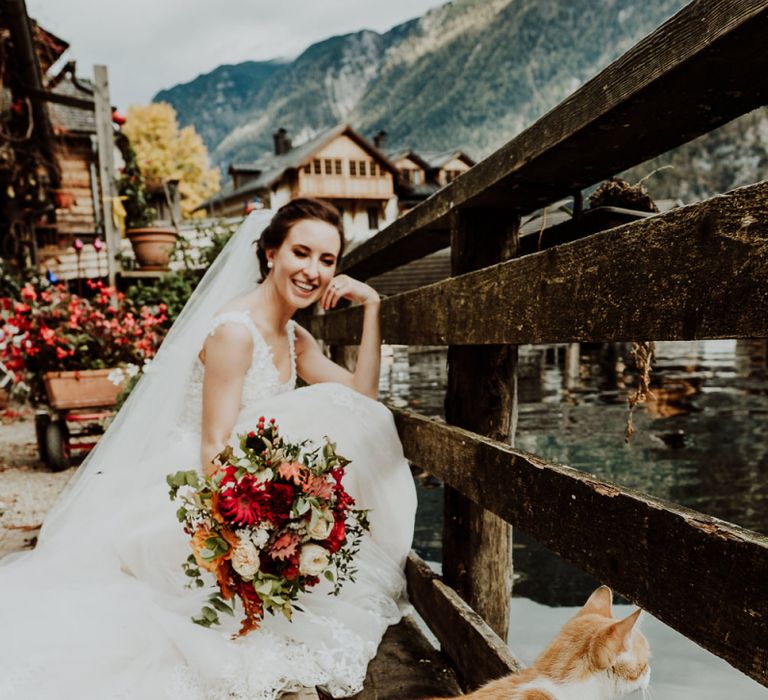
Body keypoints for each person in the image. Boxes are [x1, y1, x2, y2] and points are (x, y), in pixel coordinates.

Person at [0, 199, 417, 699]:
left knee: (343, 409)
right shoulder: (234, 333)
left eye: (326, 260)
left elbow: (362, 400)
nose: (312, 271)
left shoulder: (292, 335)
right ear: (269, 253)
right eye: (300, 253)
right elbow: (214, 450)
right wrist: (262, 523)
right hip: (204, 489)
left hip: (252, 481)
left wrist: (372, 307)